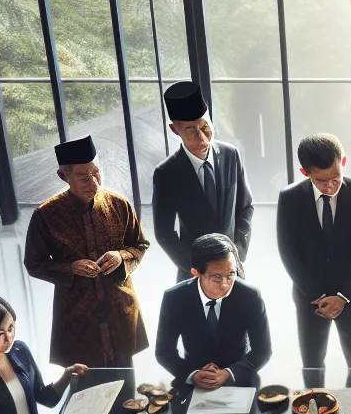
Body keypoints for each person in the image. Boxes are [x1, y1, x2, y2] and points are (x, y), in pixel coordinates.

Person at [23, 135, 151, 368]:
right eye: (83, 176)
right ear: (64, 176)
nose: (93, 181)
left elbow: (140, 245)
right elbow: (34, 263)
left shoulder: (119, 204)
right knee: (84, 385)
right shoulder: (46, 215)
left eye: (96, 172)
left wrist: (120, 256)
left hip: (120, 309)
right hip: (77, 317)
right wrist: (70, 268)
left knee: (126, 383)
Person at [277, 133, 351, 388]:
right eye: (321, 181)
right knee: (312, 367)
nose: (330, 186)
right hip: (310, 299)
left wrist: (343, 296)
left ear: (342, 161)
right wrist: (317, 296)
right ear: (304, 172)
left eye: (336, 176)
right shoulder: (289, 199)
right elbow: (288, 252)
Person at [151, 81, 255, 279]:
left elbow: (246, 207)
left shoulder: (231, 155)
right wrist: (194, 267)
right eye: (191, 130)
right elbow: (164, 233)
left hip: (233, 268)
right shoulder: (167, 173)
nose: (202, 136)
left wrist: (239, 253)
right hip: (195, 273)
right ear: (175, 130)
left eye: (205, 126)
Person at [154, 233, 272, 389]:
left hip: (239, 378)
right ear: (196, 273)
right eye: (217, 277)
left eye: (231, 274)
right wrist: (193, 374)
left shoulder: (250, 296)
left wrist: (228, 373)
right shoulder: (174, 298)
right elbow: (164, 352)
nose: (225, 284)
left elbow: (262, 351)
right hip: (194, 379)